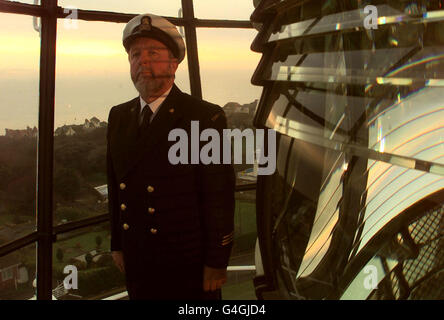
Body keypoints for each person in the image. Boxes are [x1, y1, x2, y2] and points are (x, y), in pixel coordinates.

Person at [107, 13, 236, 300]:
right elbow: (116, 187)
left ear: (173, 63)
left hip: (187, 263)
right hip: (137, 258)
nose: (142, 61)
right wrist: (118, 243)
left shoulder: (204, 116)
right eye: (135, 54)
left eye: (153, 53)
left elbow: (219, 195)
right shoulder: (119, 116)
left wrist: (217, 261)